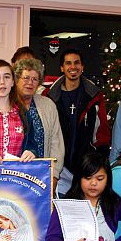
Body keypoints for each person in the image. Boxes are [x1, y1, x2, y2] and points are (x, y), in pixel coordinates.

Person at [47, 49, 111, 195]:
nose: (73, 67)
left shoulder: (94, 96)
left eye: (76, 63)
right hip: (60, 168)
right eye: (68, 63)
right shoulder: (50, 96)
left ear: (82, 67)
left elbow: (102, 131)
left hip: (86, 167)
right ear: (62, 68)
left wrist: (100, 158)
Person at [14, 58, 65, 183]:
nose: (30, 83)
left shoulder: (48, 105)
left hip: (42, 176)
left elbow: (56, 143)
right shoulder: (6, 104)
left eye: (35, 79)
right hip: (11, 174)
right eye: (26, 78)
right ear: (16, 80)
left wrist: (54, 174)